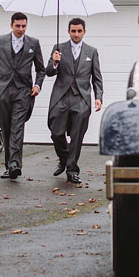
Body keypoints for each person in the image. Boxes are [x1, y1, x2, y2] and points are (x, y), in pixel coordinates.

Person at [0, 12, 45, 180]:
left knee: (17, 128)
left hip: (23, 92)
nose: (21, 29)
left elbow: (41, 69)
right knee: (7, 130)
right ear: (11, 25)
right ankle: (9, 165)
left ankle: (15, 165)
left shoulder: (34, 43)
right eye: (18, 26)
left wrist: (38, 85)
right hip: (2, 92)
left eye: (24, 26)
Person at [46, 17, 103, 185]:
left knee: (77, 137)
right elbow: (48, 72)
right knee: (56, 132)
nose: (76, 34)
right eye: (73, 31)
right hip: (61, 97)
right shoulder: (59, 48)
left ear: (84, 31)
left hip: (81, 98)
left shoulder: (91, 51)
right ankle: (64, 158)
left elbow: (97, 77)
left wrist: (98, 96)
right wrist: (55, 63)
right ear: (68, 31)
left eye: (79, 31)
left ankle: (71, 169)